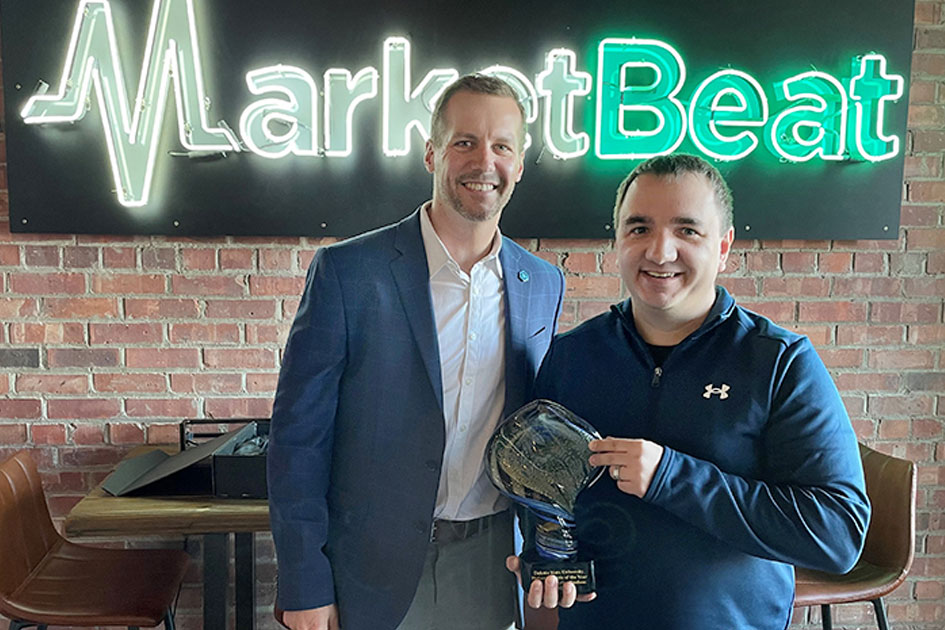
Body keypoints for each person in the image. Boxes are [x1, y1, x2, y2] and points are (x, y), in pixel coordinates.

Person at [511, 154, 870, 629]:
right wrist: (547, 554)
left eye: (687, 230)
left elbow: (837, 534)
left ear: (723, 247)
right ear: (616, 240)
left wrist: (669, 476)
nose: (660, 252)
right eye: (639, 228)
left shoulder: (779, 362)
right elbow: (539, 489)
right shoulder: (570, 357)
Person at [268, 74, 565, 630]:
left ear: (520, 164)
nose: (485, 161)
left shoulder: (541, 282)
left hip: (490, 562)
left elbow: (535, 434)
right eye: (464, 142)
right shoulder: (348, 273)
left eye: (502, 146)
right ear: (431, 153)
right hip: (368, 567)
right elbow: (297, 441)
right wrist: (304, 581)